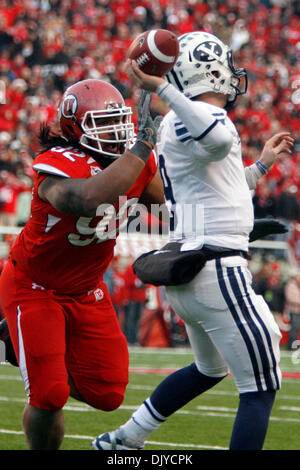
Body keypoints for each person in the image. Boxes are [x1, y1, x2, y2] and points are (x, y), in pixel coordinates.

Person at [92, 31, 294, 451]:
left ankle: (126, 439)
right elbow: (219, 139)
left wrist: (262, 165)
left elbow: (219, 188)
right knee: (260, 387)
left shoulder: (183, 120)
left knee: (209, 369)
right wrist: (162, 86)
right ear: (207, 70)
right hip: (217, 268)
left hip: (194, 267)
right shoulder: (199, 117)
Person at [0, 78, 165, 450]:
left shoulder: (137, 159)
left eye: (121, 122)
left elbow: (170, 205)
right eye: (105, 125)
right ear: (75, 129)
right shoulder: (56, 165)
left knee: (108, 393)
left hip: (87, 288)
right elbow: (88, 199)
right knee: (50, 394)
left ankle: (23, 347)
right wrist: (140, 148)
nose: (119, 132)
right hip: (34, 286)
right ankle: (38, 364)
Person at [284, 268, 300, 351]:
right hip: (294, 311)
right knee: (294, 329)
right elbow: (292, 299)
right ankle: (291, 346)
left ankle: (296, 345)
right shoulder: (291, 285)